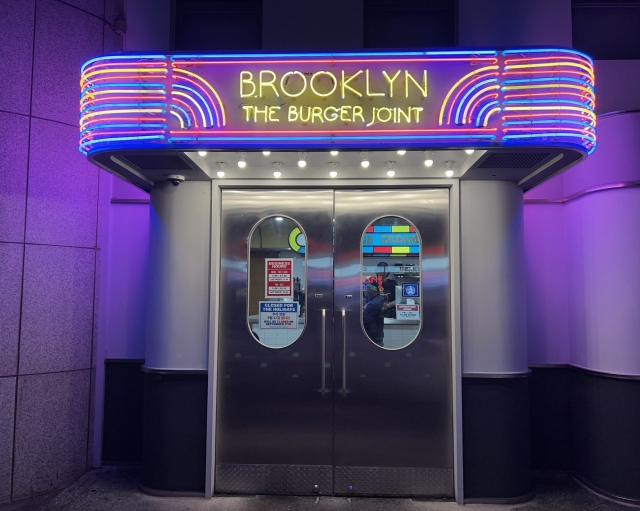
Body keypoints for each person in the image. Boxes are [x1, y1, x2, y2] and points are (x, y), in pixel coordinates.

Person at [363, 281, 385, 346]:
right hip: (377, 337)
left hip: (372, 339)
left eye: (367, 287)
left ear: (373, 290)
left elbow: (365, 322)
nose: (365, 289)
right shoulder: (378, 299)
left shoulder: (373, 305)